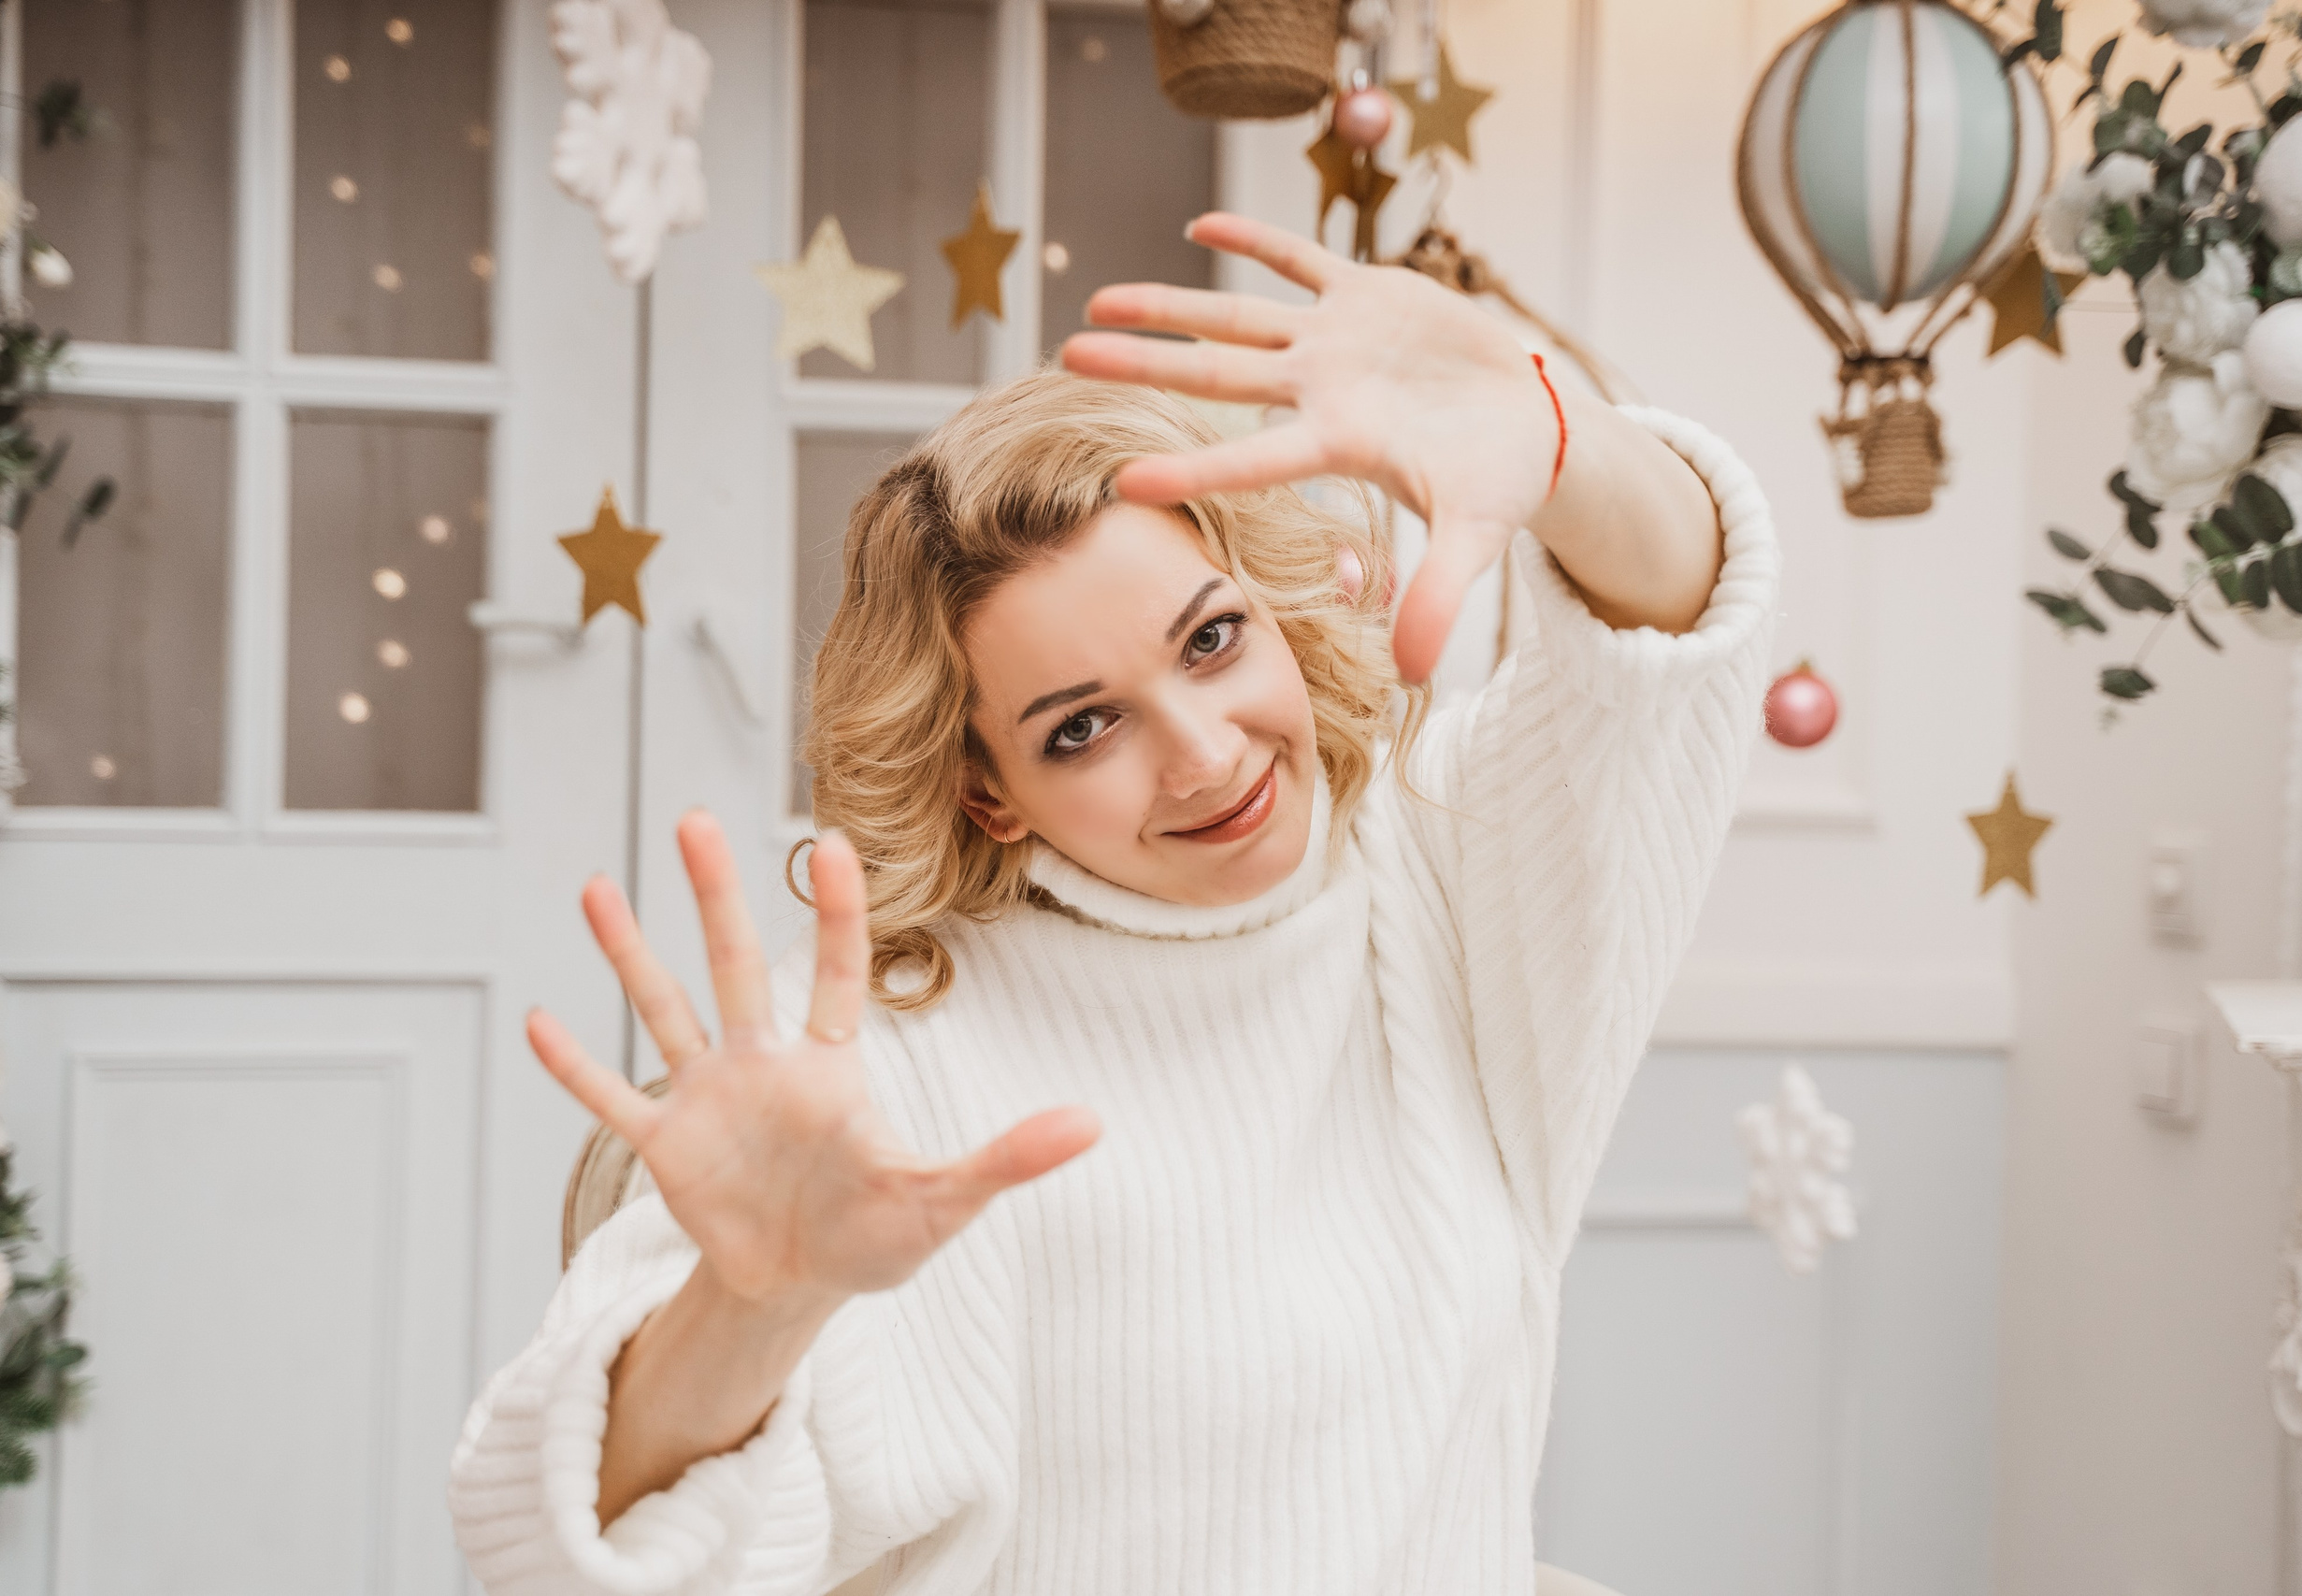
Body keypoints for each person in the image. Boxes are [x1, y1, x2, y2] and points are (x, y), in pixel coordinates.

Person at [448, 212, 1777, 1595]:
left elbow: (1666, 650)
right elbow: (560, 1560)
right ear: (989, 795)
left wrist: (1561, 434)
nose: (1206, 753)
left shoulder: (1434, 869)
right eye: (1082, 729)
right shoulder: (869, 1044)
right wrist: (752, 1307)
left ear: (1268, 605)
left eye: (1212, 640)